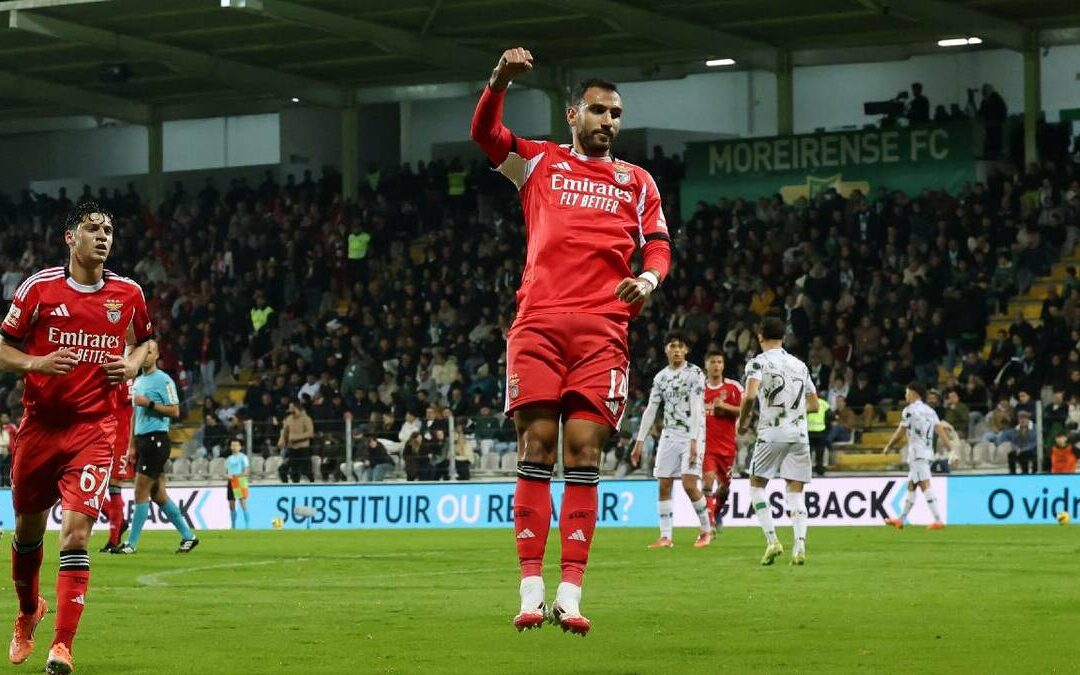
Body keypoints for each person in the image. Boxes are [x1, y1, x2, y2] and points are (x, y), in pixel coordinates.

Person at [471, 47, 671, 634]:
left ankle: (571, 592)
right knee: (536, 446)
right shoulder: (537, 163)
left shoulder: (637, 181)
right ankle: (530, 587)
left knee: (584, 452)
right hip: (537, 327)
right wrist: (499, 82)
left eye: (617, 114)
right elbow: (485, 133)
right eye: (599, 111)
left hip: (603, 332)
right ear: (573, 115)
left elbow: (657, 244)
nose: (610, 121)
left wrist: (649, 278)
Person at [0, 201, 153, 673]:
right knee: (27, 532)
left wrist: (131, 363)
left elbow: (149, 344)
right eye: (92, 228)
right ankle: (29, 612)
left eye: (108, 229)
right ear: (71, 238)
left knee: (75, 535)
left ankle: (62, 646)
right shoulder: (39, 288)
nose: (103, 236)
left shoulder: (128, 293)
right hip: (40, 428)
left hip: (95, 430)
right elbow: (3, 348)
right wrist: (36, 363)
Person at [738, 316, 819, 566]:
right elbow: (814, 405)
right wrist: (794, 414)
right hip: (799, 435)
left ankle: (772, 540)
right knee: (796, 491)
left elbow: (750, 395)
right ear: (783, 337)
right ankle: (800, 545)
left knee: (756, 485)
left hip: (772, 432)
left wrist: (743, 421)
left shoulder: (757, 363)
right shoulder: (800, 365)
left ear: (760, 336)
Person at [116, 340, 198, 554]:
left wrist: (150, 404)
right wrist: (131, 443)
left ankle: (131, 544)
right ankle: (189, 536)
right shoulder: (139, 381)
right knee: (158, 495)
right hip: (143, 440)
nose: (145, 356)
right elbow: (135, 414)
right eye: (143, 352)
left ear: (157, 356)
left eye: (149, 352)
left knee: (140, 490)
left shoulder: (164, 380)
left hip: (157, 440)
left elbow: (175, 411)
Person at [631, 333, 711, 549]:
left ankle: (706, 530)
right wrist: (639, 441)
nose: (677, 350)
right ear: (666, 350)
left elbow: (696, 407)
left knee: (688, 484)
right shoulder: (660, 378)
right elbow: (650, 410)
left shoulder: (695, 373)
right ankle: (665, 537)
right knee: (664, 484)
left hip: (692, 434)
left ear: (686, 350)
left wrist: (694, 440)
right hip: (669, 435)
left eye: (681, 346)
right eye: (673, 346)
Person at [882, 382, 950, 530]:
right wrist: (950, 447)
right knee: (912, 486)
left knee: (925, 485)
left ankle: (938, 520)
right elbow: (940, 430)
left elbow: (900, 432)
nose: (905, 395)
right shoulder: (930, 411)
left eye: (907, 392)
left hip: (917, 453)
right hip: (927, 452)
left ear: (913, 393)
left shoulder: (909, 411)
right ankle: (901, 519)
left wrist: (889, 446)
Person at [701, 350, 741, 531]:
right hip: (706, 446)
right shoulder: (698, 389)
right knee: (707, 482)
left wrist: (724, 406)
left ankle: (716, 512)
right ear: (706, 365)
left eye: (719, 362)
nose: (716, 365)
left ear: (723, 365)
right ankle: (708, 524)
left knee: (724, 488)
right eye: (712, 362)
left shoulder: (734, 388)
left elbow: (745, 410)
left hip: (727, 447)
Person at [99, 376, 135, 553]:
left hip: (119, 438)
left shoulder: (126, 376)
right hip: (102, 435)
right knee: (92, 486)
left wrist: (130, 444)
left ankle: (114, 541)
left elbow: (131, 411)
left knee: (114, 485)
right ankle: (119, 523)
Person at [278, 402, 315, 483]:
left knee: (307, 471)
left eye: (292, 408)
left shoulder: (306, 419)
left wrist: (296, 438)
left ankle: (312, 485)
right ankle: (287, 486)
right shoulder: (289, 419)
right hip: (292, 449)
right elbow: (285, 431)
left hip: (303, 448)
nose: (290, 410)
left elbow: (310, 433)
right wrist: (282, 440)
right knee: (287, 470)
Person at [225, 437, 250, 528]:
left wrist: (237, 475)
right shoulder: (228, 459)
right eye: (232, 445)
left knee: (243, 502)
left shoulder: (243, 457)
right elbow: (227, 472)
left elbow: (247, 471)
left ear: (240, 447)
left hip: (240, 481)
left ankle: (247, 525)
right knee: (231, 504)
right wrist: (227, 476)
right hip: (231, 482)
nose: (234, 447)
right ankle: (233, 525)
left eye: (236, 445)